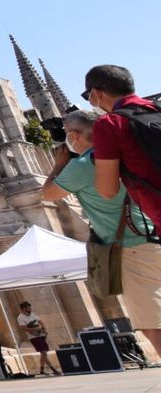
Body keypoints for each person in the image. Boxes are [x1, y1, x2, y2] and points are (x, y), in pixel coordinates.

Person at [44, 108, 161, 354]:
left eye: (67, 133)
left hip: (133, 248)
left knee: (153, 325)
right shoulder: (125, 151)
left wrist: (59, 165)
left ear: (74, 136)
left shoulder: (86, 165)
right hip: (152, 235)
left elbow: (48, 194)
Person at [85, 65, 161, 228]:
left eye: (88, 96)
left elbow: (108, 190)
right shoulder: (157, 108)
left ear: (96, 93)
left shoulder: (110, 123)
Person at [14, 302, 60, 376]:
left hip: (41, 335)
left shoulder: (32, 314)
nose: (30, 309)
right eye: (28, 308)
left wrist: (44, 328)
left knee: (44, 353)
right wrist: (34, 329)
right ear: (23, 309)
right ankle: (43, 369)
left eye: (30, 307)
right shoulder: (20, 317)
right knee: (44, 352)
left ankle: (51, 369)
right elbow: (23, 328)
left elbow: (40, 322)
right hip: (33, 337)